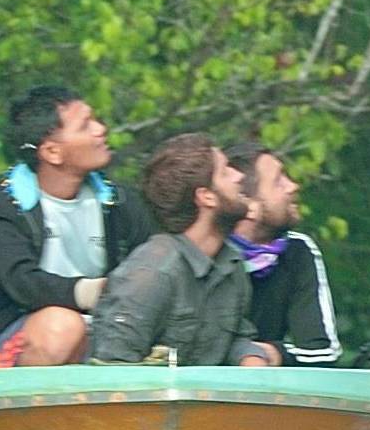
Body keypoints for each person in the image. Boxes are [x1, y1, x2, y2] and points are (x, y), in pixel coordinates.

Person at [0, 83, 142, 370]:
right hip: (15, 339)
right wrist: (93, 291)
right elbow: (24, 284)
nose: (100, 129)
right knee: (63, 327)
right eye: (85, 126)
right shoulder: (1, 206)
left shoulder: (117, 201)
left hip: (99, 332)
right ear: (52, 152)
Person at [83, 135, 273, 369]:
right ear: (206, 197)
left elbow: (233, 339)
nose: (240, 176)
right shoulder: (151, 273)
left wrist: (250, 357)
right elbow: (113, 369)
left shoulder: (231, 263)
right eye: (225, 172)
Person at [234, 146, 345, 367]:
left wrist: (273, 354)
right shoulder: (206, 252)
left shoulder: (297, 250)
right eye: (278, 181)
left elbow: (323, 352)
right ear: (248, 206)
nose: (293, 186)